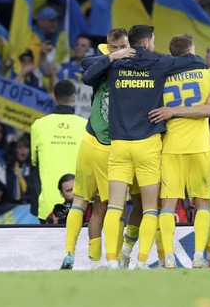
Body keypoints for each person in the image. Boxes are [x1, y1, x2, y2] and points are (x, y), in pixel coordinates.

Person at [82, 25, 206, 269]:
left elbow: (87, 72)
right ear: (148, 42)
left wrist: (112, 56)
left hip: (119, 145)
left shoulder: (115, 64)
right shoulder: (160, 61)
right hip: (148, 145)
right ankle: (140, 261)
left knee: (115, 206)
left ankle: (112, 261)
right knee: (150, 208)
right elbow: (198, 61)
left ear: (130, 43)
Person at [148, 34, 210, 269]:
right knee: (202, 204)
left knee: (167, 205)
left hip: (171, 147)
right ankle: (198, 256)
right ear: (193, 51)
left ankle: (170, 257)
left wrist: (172, 110)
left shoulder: (162, 79)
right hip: (200, 148)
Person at [62, 29, 131, 270]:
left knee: (84, 203)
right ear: (109, 46)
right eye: (114, 47)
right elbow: (86, 62)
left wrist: (114, 58)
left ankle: (91, 260)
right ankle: (103, 258)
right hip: (103, 146)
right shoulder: (111, 59)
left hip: (91, 142)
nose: (119, 50)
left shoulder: (127, 62)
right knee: (109, 207)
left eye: (123, 46)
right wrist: (114, 57)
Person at [31, 80, 87, 223]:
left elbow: (33, 161)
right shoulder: (85, 125)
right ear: (74, 98)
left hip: (48, 205)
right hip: (80, 203)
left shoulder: (39, 125)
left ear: (53, 97)